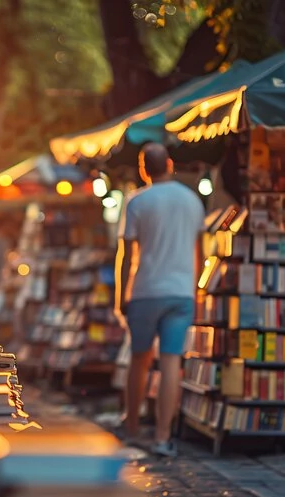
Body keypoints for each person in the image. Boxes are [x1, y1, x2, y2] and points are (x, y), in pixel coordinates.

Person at [113, 143, 204, 458]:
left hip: (146, 290)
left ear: (143, 170)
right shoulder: (192, 200)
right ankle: (163, 438)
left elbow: (126, 255)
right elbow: (200, 252)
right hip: (181, 292)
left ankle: (132, 428)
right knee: (171, 364)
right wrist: (196, 291)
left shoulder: (137, 202)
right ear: (170, 163)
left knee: (139, 359)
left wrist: (120, 295)